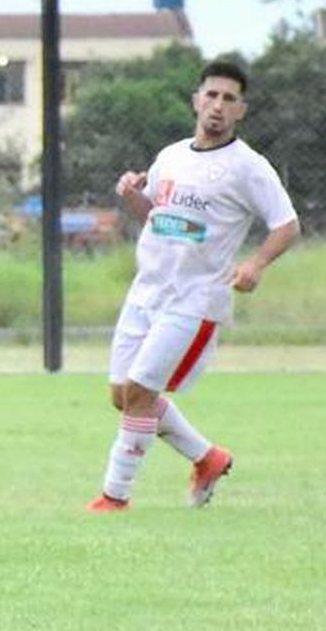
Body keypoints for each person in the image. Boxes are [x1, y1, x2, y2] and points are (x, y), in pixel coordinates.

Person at [88, 61, 299, 512]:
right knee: (123, 396)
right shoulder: (171, 156)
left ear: (241, 109)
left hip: (195, 300)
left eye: (229, 99)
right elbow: (161, 221)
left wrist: (256, 264)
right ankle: (208, 458)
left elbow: (287, 225)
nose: (218, 105)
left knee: (141, 395)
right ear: (196, 100)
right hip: (147, 292)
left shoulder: (248, 168)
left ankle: (113, 498)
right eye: (212, 95)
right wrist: (133, 198)